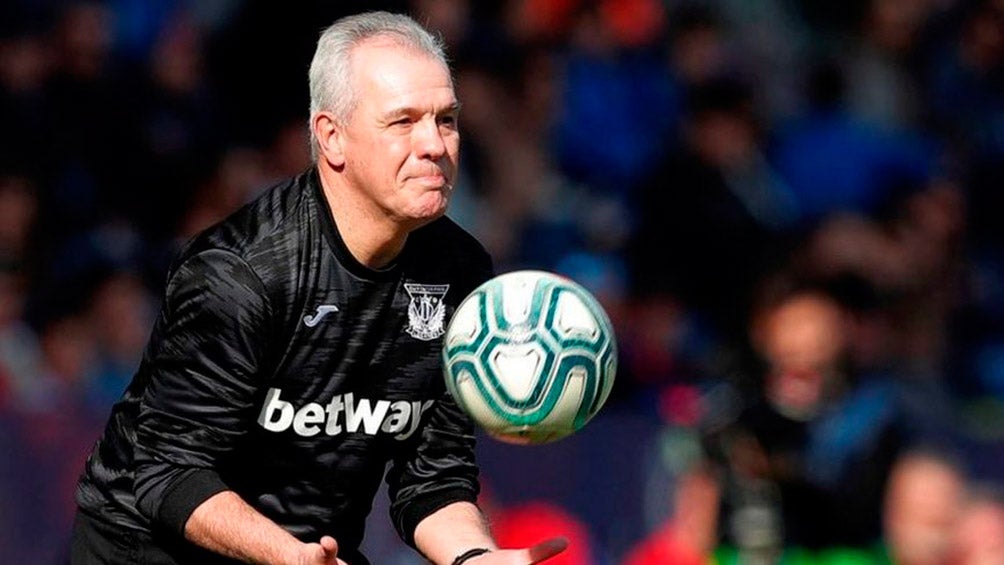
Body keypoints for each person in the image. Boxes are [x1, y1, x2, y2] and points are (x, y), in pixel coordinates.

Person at [70, 11, 567, 565]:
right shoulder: (241, 272)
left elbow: (432, 476)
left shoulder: (459, 270)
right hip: (147, 549)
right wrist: (288, 555)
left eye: (446, 119)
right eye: (403, 121)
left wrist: (473, 557)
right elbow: (169, 472)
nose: (435, 144)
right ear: (332, 137)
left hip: (314, 552)